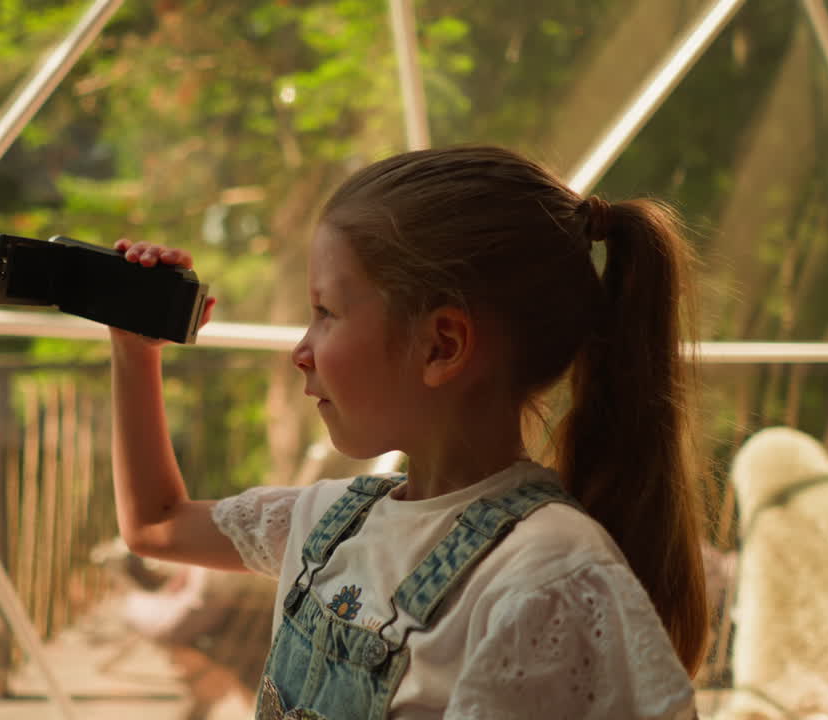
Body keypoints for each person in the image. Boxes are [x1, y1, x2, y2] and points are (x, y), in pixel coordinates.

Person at [108, 145, 706, 719]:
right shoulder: (330, 525)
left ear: (441, 346)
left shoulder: (549, 578)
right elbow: (156, 524)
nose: (300, 351)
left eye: (325, 312)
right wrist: (135, 350)